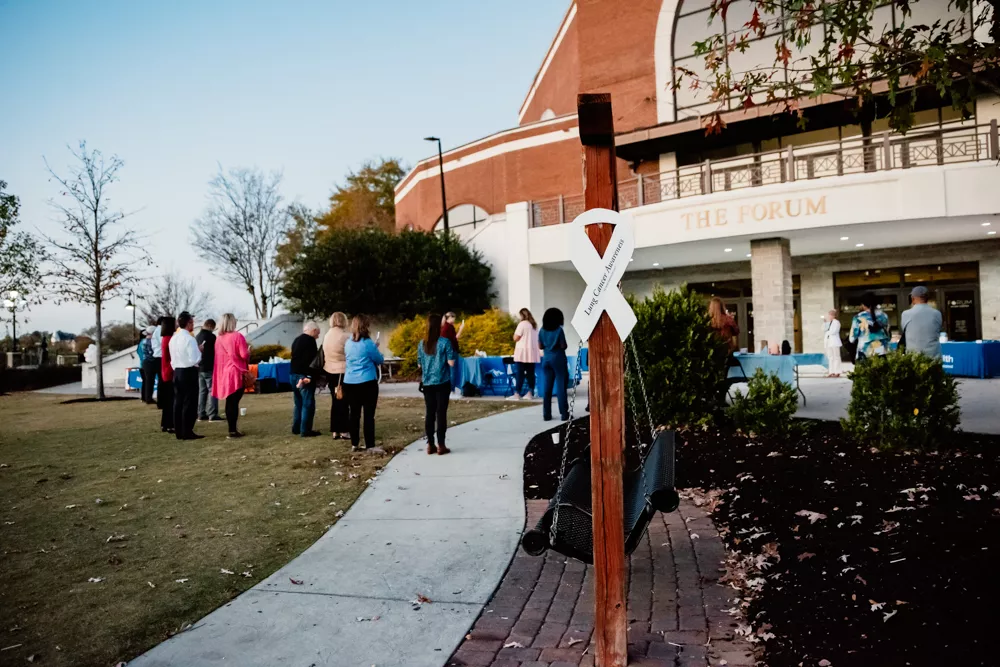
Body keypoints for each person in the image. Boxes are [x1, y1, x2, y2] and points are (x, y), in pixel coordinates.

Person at [343, 314, 384, 451]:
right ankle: (370, 444)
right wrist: (376, 348)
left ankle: (354, 443)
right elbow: (379, 359)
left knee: (353, 414)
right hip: (366, 382)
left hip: (349, 381)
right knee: (368, 415)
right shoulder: (367, 343)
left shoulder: (348, 343)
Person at [418, 313, 457, 455]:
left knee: (430, 413)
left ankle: (430, 444)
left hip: (427, 383)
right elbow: (451, 363)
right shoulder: (445, 342)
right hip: (442, 382)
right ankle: (441, 444)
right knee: (441, 413)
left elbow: (419, 364)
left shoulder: (422, 344)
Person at [212, 313, 250, 438]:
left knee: (230, 402)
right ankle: (233, 430)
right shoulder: (237, 336)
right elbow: (243, 355)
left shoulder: (218, 338)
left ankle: (232, 429)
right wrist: (248, 352)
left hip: (224, 373)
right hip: (236, 371)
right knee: (234, 402)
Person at [169, 311, 203, 441]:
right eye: (192, 323)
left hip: (177, 371)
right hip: (188, 371)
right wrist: (200, 351)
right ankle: (187, 430)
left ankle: (179, 430)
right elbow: (195, 359)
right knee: (190, 402)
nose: (193, 325)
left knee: (178, 402)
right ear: (188, 323)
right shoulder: (189, 339)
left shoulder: (173, 338)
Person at [322, 311, 351, 439]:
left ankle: (335, 430)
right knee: (344, 401)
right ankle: (344, 429)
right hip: (341, 371)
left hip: (329, 370)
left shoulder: (327, 335)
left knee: (335, 401)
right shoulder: (345, 336)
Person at [290, 321, 321, 437]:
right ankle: (306, 430)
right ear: (313, 331)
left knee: (298, 403)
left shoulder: (296, 340)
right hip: (303, 376)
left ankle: (296, 427)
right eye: (317, 334)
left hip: (293, 374)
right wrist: (310, 376)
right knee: (308, 403)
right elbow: (311, 361)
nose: (317, 337)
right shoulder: (310, 341)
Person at [539, 308, 570, 422]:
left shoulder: (542, 330)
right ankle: (564, 414)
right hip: (558, 359)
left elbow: (540, 346)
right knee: (561, 386)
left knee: (547, 388)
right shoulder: (559, 330)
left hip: (546, 359)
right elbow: (563, 346)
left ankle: (546, 414)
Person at [900, 285, 943, 360]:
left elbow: (904, 330)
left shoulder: (906, 314)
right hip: (934, 358)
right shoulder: (937, 313)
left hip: (914, 359)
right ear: (927, 299)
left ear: (913, 299)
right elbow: (938, 329)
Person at [508, 308, 540, 401]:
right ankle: (530, 393)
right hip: (532, 352)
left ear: (521, 315)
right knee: (531, 373)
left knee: (520, 373)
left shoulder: (522, 324)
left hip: (522, 352)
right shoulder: (534, 325)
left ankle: (517, 393)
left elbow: (516, 337)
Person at [849, 293, 890, 363]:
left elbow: (852, 339)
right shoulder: (884, 316)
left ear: (863, 305)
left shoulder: (858, 317)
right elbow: (888, 334)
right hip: (882, 351)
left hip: (864, 352)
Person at [196, 318, 220, 422]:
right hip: (209, 367)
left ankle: (201, 413)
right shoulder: (211, 337)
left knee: (202, 391)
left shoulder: (197, 336)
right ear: (210, 326)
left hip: (200, 367)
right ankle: (212, 414)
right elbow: (217, 351)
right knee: (212, 390)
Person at [157, 316, 176, 434]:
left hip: (165, 370)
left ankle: (165, 423)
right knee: (171, 399)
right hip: (170, 370)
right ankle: (170, 424)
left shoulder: (164, 338)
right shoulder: (170, 339)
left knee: (167, 399)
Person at [144, 317, 163, 406]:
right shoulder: (150, 341)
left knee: (149, 381)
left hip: (146, 362)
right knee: (159, 380)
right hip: (153, 361)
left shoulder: (143, 341)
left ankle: (148, 397)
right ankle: (158, 399)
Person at [823, 310, 843, 377]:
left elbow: (834, 331)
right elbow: (824, 329)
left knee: (836, 357)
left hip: (835, 342)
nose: (829, 316)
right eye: (829, 315)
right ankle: (831, 371)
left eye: (830, 315)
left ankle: (837, 371)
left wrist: (828, 331)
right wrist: (825, 323)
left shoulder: (836, 322)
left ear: (834, 315)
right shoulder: (829, 323)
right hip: (829, 342)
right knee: (830, 357)